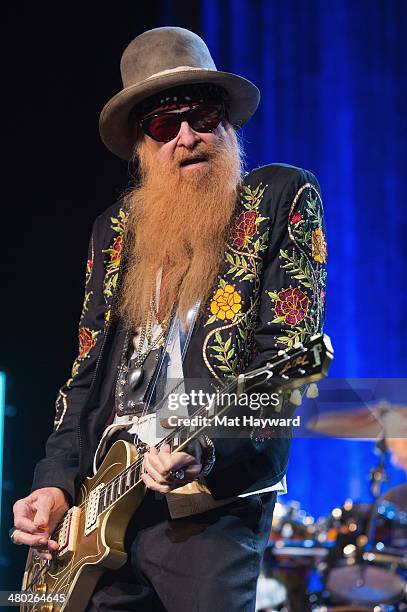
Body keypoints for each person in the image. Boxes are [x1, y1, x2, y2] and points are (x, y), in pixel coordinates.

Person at [11, 26, 327, 611]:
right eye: (163, 125)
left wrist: (207, 447)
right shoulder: (114, 229)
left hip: (209, 508)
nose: (186, 137)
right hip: (100, 508)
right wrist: (53, 480)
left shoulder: (279, 199)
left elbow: (286, 365)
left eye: (202, 117)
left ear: (227, 125)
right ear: (141, 144)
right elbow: (85, 374)